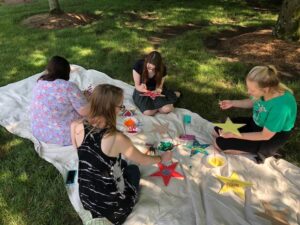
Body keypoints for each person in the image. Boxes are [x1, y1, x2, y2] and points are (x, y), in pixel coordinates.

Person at [70, 84, 172, 225]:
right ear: (110, 109)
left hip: (87, 197)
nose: (122, 109)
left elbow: (82, 154)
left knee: (121, 164)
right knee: (133, 169)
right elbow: (143, 160)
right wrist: (162, 158)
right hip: (113, 209)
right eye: (121, 106)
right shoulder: (116, 138)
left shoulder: (75, 125)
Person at [214, 65, 297, 162]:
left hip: (270, 137)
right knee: (218, 130)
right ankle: (243, 141)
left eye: (252, 90)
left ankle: (266, 151)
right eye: (248, 88)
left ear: (265, 89)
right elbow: (252, 101)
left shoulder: (281, 107)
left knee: (219, 143)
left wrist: (234, 135)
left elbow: (265, 135)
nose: (248, 92)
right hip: (256, 124)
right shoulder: (267, 91)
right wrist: (232, 103)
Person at [30, 56, 89, 146]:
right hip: (64, 136)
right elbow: (85, 111)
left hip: (39, 131)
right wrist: (90, 99)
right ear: (67, 71)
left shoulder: (40, 82)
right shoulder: (69, 87)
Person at [132, 51, 180, 116]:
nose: (150, 70)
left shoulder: (162, 68)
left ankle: (171, 96)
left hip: (155, 90)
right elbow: (137, 86)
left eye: (153, 68)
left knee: (166, 109)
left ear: (158, 66)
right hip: (142, 90)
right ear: (146, 60)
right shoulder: (138, 65)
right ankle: (160, 105)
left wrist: (157, 90)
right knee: (148, 112)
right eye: (149, 67)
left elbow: (159, 87)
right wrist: (144, 89)